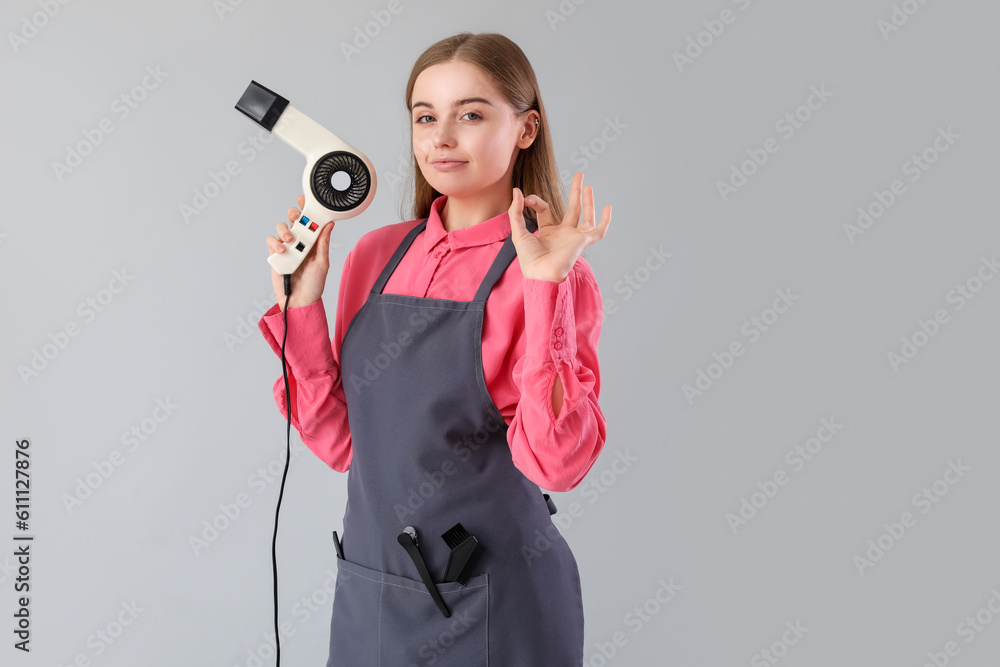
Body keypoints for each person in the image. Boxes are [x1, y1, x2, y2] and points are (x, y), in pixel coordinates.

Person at [257, 31, 611, 666]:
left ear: (526, 129)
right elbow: (341, 443)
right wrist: (301, 305)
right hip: (374, 593)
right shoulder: (376, 254)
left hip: (497, 604)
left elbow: (558, 466)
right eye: (425, 117)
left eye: (470, 114)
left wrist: (546, 288)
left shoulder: (548, 273)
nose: (441, 138)